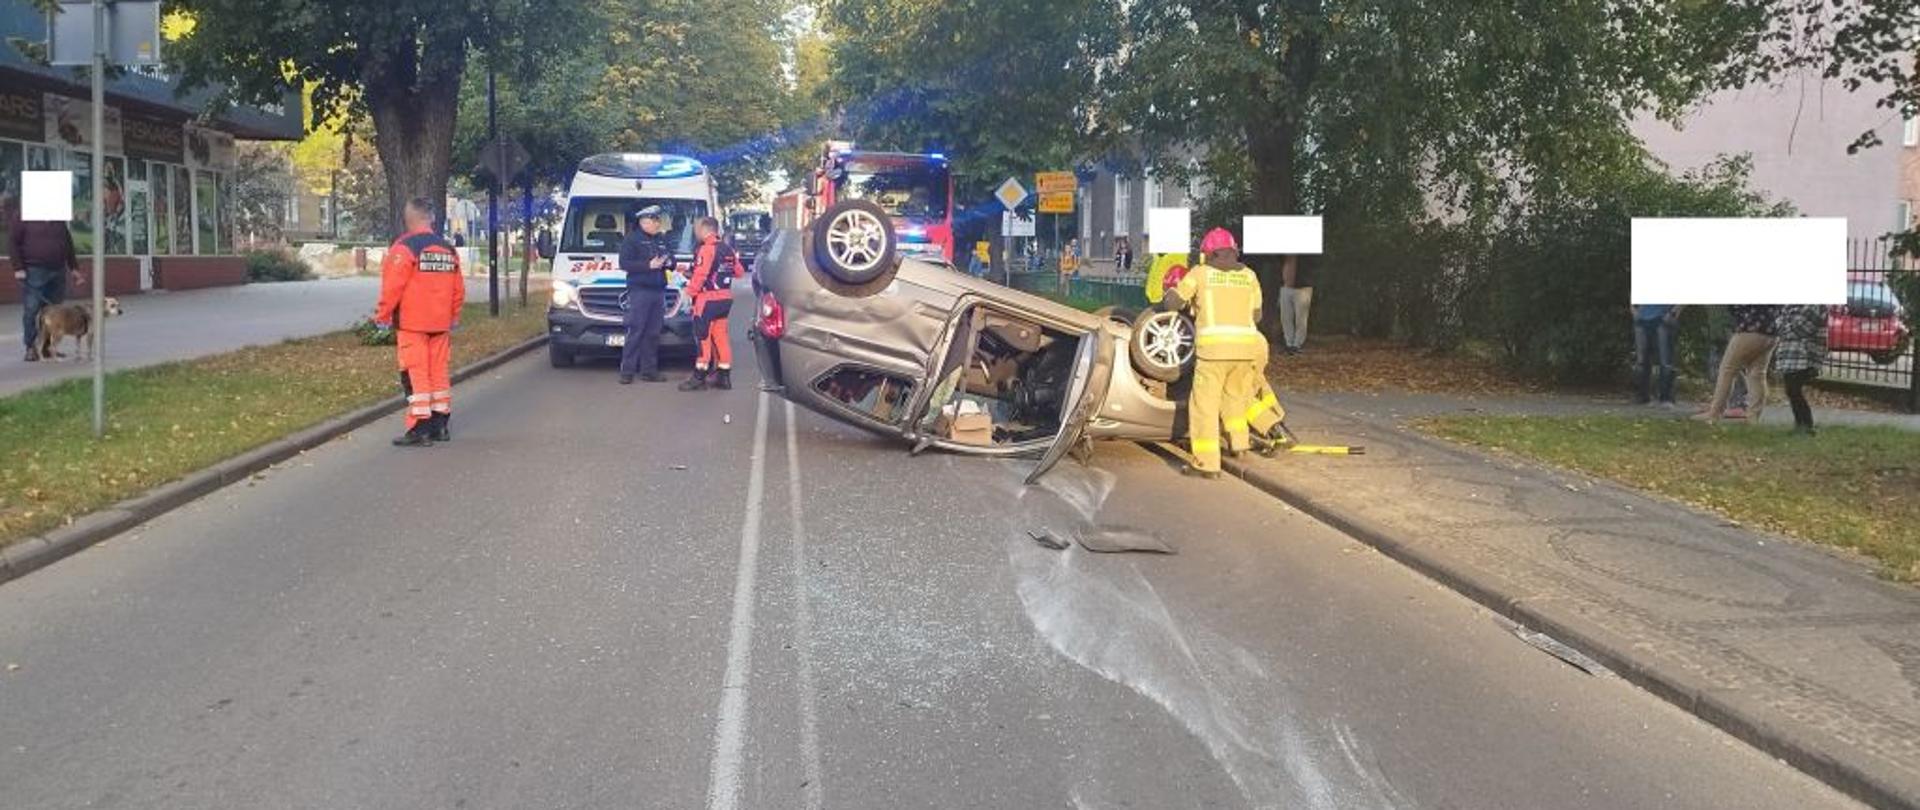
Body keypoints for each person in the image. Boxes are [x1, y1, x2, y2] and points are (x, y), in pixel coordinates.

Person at [1162, 227, 1264, 479]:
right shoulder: (1250, 275)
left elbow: (1173, 303)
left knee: (1204, 406)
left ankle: (1206, 463)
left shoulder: (1200, 274)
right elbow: (1257, 314)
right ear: (1234, 252)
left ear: (1209, 254)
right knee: (1235, 398)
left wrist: (1173, 296)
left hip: (1214, 351)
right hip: (1246, 350)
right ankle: (1239, 445)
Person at [374, 198, 466, 447]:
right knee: (438, 373)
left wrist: (382, 316)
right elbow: (458, 290)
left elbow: (392, 287)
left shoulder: (405, 247)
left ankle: (419, 428)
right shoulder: (447, 249)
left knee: (416, 375)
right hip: (440, 324)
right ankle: (441, 425)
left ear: (409, 218)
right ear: (432, 218)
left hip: (413, 324)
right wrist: (453, 316)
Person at [8, 195, 83, 362]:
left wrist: (74, 268)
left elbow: (67, 242)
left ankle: (48, 347)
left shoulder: (57, 217)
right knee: (32, 310)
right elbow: (13, 242)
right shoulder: (23, 215)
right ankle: (30, 347)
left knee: (54, 312)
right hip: (34, 270)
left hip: (58, 270)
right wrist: (18, 268)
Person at [679, 216, 744, 391]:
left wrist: (688, 292)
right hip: (725, 299)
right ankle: (724, 377)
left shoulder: (706, 249)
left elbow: (701, 275)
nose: (695, 232)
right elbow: (739, 272)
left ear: (703, 229)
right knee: (721, 337)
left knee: (703, 339)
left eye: (696, 229)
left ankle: (699, 377)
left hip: (706, 300)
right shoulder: (727, 249)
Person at [1694, 304, 1778, 425]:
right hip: (1771, 332)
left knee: (1727, 370)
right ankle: (1753, 417)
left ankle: (1714, 413)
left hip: (1749, 329)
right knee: (1757, 375)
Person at [617, 206, 673, 385]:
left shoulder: (661, 239)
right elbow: (624, 263)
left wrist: (669, 262)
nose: (657, 224)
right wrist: (648, 266)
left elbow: (671, 259)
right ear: (643, 222)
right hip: (640, 290)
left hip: (658, 291)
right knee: (636, 331)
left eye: (658, 220)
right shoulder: (632, 240)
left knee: (653, 333)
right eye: (653, 220)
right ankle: (627, 371)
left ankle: (649, 370)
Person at [1773, 304, 1828, 435]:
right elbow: (1778, 324)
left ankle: (1806, 424)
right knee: (1791, 390)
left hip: (1805, 355)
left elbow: (1801, 328)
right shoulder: (1790, 305)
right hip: (1789, 354)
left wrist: (1785, 325)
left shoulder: (1815, 305)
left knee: (1793, 389)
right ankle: (1801, 424)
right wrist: (1785, 325)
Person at [1631, 303, 1683, 406]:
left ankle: (1666, 398)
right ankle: (1642, 397)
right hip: (1642, 319)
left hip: (1662, 319)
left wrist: (1673, 313)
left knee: (1665, 361)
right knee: (1641, 361)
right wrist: (1634, 311)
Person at [1704, 305, 1749, 417]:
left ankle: (1739, 404)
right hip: (1716, 331)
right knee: (1715, 368)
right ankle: (1720, 404)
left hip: (1728, 330)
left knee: (1732, 368)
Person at [1279, 255, 1314, 355]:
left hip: (1303, 287)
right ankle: (1289, 344)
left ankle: (1297, 344)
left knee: (1301, 319)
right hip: (1286, 287)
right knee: (1285, 317)